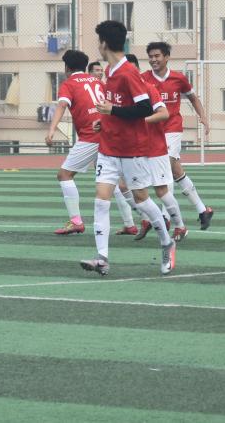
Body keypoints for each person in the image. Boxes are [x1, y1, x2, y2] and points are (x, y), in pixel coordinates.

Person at [80, 20, 175, 276]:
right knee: (101, 199)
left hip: (132, 149)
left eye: (98, 41)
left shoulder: (128, 72)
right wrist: (105, 121)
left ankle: (167, 242)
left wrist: (112, 111)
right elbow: (117, 109)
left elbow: (144, 108)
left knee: (142, 200)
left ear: (104, 44)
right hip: (108, 148)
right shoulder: (109, 71)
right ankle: (102, 258)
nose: (97, 46)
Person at [45, 49, 137, 235]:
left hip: (91, 136)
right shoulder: (97, 81)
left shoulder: (68, 84)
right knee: (113, 180)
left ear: (67, 67)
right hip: (109, 133)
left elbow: (62, 105)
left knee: (64, 175)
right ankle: (132, 223)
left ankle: (76, 221)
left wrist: (52, 129)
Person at [143, 42, 214, 230]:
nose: (153, 59)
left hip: (172, 128)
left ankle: (165, 216)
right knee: (176, 172)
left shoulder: (178, 78)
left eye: (157, 56)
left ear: (166, 57)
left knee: (165, 167)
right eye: (151, 56)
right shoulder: (144, 79)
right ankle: (203, 210)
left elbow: (193, 98)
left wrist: (203, 117)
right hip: (153, 131)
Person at [125, 54, 188, 242]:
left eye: (130, 70)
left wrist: (140, 121)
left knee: (161, 190)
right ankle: (150, 221)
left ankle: (180, 226)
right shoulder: (120, 94)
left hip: (155, 148)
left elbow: (163, 114)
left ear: (137, 70)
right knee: (135, 192)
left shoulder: (148, 88)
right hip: (133, 150)